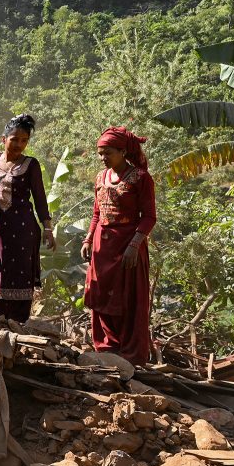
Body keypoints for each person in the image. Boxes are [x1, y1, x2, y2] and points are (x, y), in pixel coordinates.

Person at [0, 114, 56, 323]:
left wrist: (48, 229)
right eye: (14, 139)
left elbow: (40, 200)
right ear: (3, 139)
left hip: (23, 234)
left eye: (24, 140)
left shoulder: (31, 165)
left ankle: (18, 326)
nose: (19, 144)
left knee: (19, 277)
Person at [81, 126, 156, 366]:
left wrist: (135, 244)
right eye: (100, 153)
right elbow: (96, 212)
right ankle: (106, 348)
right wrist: (88, 239)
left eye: (108, 153)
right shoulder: (100, 178)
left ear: (123, 151)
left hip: (128, 247)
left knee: (128, 299)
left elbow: (149, 216)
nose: (103, 158)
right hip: (103, 248)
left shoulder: (141, 178)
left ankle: (130, 354)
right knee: (101, 296)